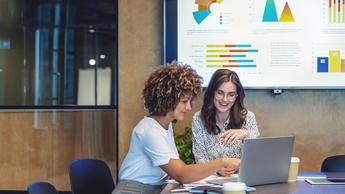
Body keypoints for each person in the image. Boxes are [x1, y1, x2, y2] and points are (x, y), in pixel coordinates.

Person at [112, 63, 240, 194]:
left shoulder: (165, 126)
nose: (189, 108)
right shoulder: (149, 130)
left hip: (155, 189)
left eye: (189, 102)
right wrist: (222, 161)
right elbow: (181, 174)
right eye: (184, 102)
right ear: (168, 100)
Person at [192, 69, 260, 177]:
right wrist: (216, 169)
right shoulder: (198, 118)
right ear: (212, 93)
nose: (224, 99)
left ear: (236, 96)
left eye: (231, 95)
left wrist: (246, 134)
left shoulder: (248, 117)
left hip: (242, 180)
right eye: (220, 93)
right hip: (212, 181)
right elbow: (200, 159)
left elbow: (257, 159)